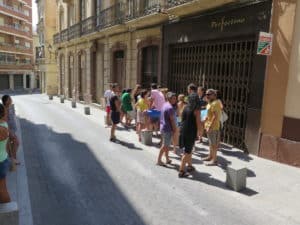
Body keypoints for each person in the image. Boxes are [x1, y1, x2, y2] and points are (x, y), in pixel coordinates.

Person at [178, 92, 201, 178]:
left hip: (183, 130)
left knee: (189, 149)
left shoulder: (185, 107)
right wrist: (199, 133)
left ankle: (190, 166)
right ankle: (181, 171)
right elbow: (198, 123)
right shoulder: (196, 110)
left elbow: (181, 118)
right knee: (187, 152)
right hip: (190, 131)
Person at [157, 92, 177, 166]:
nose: (175, 100)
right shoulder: (170, 108)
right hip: (167, 129)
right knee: (165, 145)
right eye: (173, 98)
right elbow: (172, 120)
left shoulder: (165, 104)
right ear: (169, 99)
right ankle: (159, 160)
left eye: (175, 98)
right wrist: (174, 129)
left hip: (163, 127)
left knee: (167, 144)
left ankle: (167, 158)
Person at [203, 89, 222, 166]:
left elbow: (215, 116)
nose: (207, 95)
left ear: (214, 95)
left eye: (209, 94)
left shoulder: (215, 103)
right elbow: (209, 114)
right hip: (209, 126)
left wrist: (209, 126)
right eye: (206, 94)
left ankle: (214, 160)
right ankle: (210, 156)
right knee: (211, 143)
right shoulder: (210, 103)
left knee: (214, 144)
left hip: (213, 127)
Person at [2, 95, 20, 165]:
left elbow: (12, 117)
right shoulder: (5, 109)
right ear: (6, 101)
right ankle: (13, 159)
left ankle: (11, 158)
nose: (11, 100)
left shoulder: (10, 107)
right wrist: (9, 132)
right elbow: (5, 122)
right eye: (9, 99)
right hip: (9, 131)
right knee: (16, 142)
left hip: (12, 130)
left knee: (11, 144)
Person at [0, 103, 11, 203]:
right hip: (3, 158)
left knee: (3, 191)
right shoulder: (3, 123)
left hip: (1, 161)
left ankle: (9, 211)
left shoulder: (1, 128)